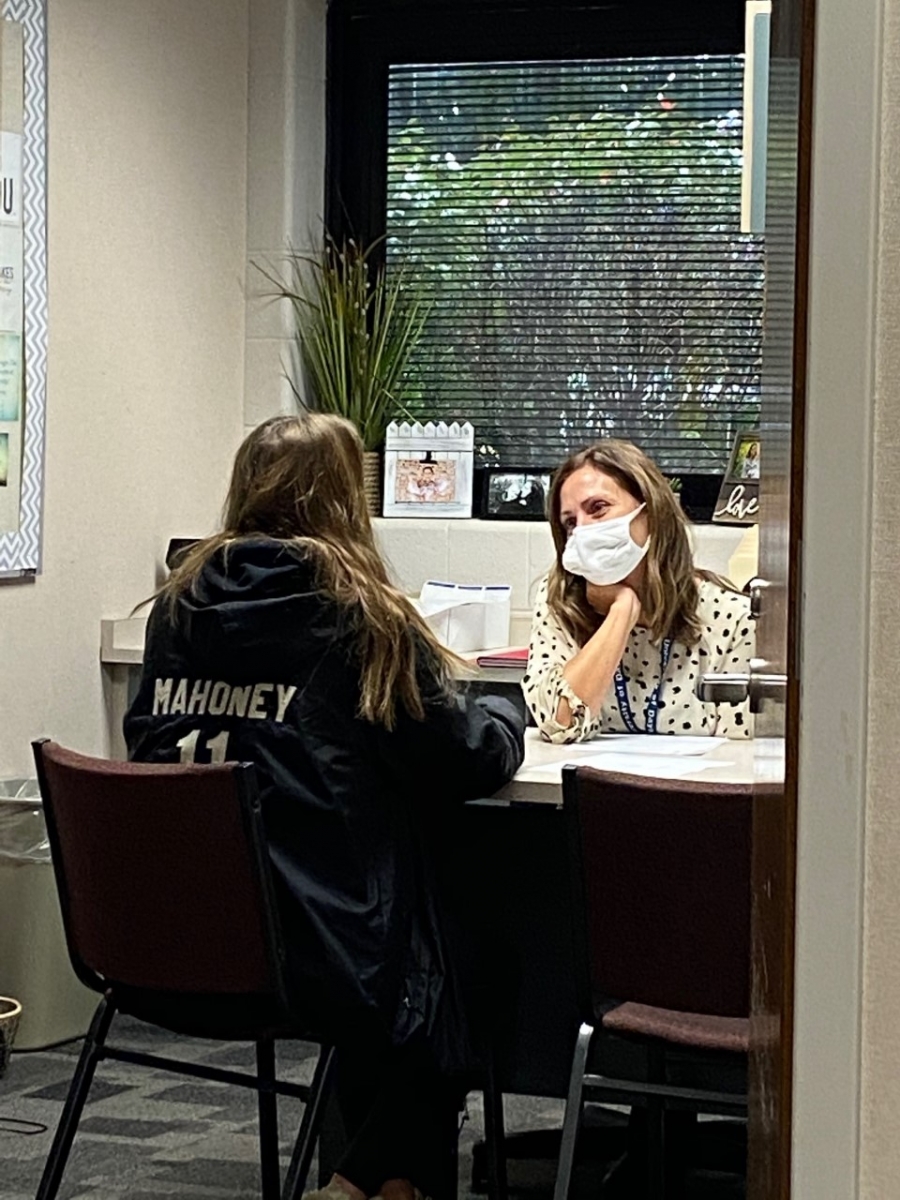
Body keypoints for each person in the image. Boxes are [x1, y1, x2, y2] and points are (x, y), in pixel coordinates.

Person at [124, 413, 525, 1200]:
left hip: (178, 929)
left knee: (416, 964)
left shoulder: (178, 604)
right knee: (474, 969)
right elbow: (460, 756)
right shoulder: (359, 613)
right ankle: (356, 1183)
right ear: (345, 500)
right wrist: (508, 714)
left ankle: (379, 1186)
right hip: (322, 943)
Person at [522, 439, 754, 742]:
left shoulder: (734, 619)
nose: (582, 529)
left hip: (692, 788)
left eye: (598, 508)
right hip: (590, 788)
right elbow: (560, 723)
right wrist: (622, 610)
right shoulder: (561, 604)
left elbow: (741, 758)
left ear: (651, 513)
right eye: (569, 522)